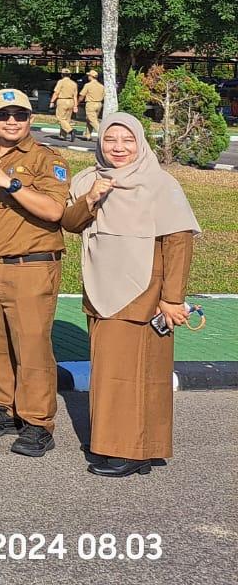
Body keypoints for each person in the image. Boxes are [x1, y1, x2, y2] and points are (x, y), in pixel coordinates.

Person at [61, 114, 201, 477]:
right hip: (101, 286)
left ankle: (132, 450)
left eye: (127, 140)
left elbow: (179, 242)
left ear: (140, 143)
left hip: (145, 289)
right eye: (111, 140)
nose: (118, 148)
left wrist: (172, 298)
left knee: (140, 373)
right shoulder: (88, 179)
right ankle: (127, 447)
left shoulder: (159, 183)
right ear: (100, 143)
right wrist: (91, 199)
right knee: (111, 372)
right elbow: (70, 223)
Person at [0, 88, 69, 458]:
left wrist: (12, 184)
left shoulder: (45, 158)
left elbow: (55, 211)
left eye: (19, 115)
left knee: (32, 345)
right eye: (3, 115)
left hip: (31, 264)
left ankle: (38, 422)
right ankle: (3, 409)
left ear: (30, 119)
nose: (11, 121)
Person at [51, 69, 79, 142]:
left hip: (62, 100)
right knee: (67, 119)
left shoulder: (60, 82)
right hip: (71, 101)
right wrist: (75, 106)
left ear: (62, 75)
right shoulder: (74, 83)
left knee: (60, 118)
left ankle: (71, 130)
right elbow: (75, 96)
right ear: (70, 75)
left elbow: (56, 93)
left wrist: (52, 101)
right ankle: (63, 136)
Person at [79, 69, 106, 138]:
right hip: (99, 104)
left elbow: (82, 95)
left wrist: (78, 102)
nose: (88, 77)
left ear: (91, 77)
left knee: (92, 120)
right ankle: (87, 135)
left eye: (88, 76)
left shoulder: (88, 85)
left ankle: (103, 133)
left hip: (91, 104)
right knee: (90, 119)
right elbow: (104, 95)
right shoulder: (101, 86)